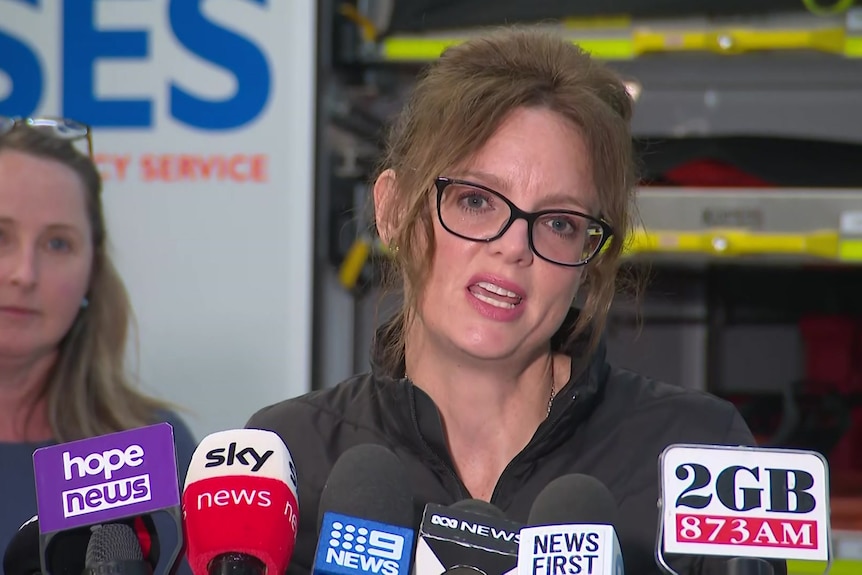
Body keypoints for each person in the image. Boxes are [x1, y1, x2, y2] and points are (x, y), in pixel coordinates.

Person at [248, 28, 786, 575]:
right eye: (476, 200)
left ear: (593, 254)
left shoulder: (696, 453)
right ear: (391, 210)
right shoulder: (288, 455)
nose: (513, 247)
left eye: (558, 222)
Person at [0, 118, 196, 560]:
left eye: (57, 244)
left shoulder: (144, 451)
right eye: (1, 236)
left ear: (92, 272)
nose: (23, 274)